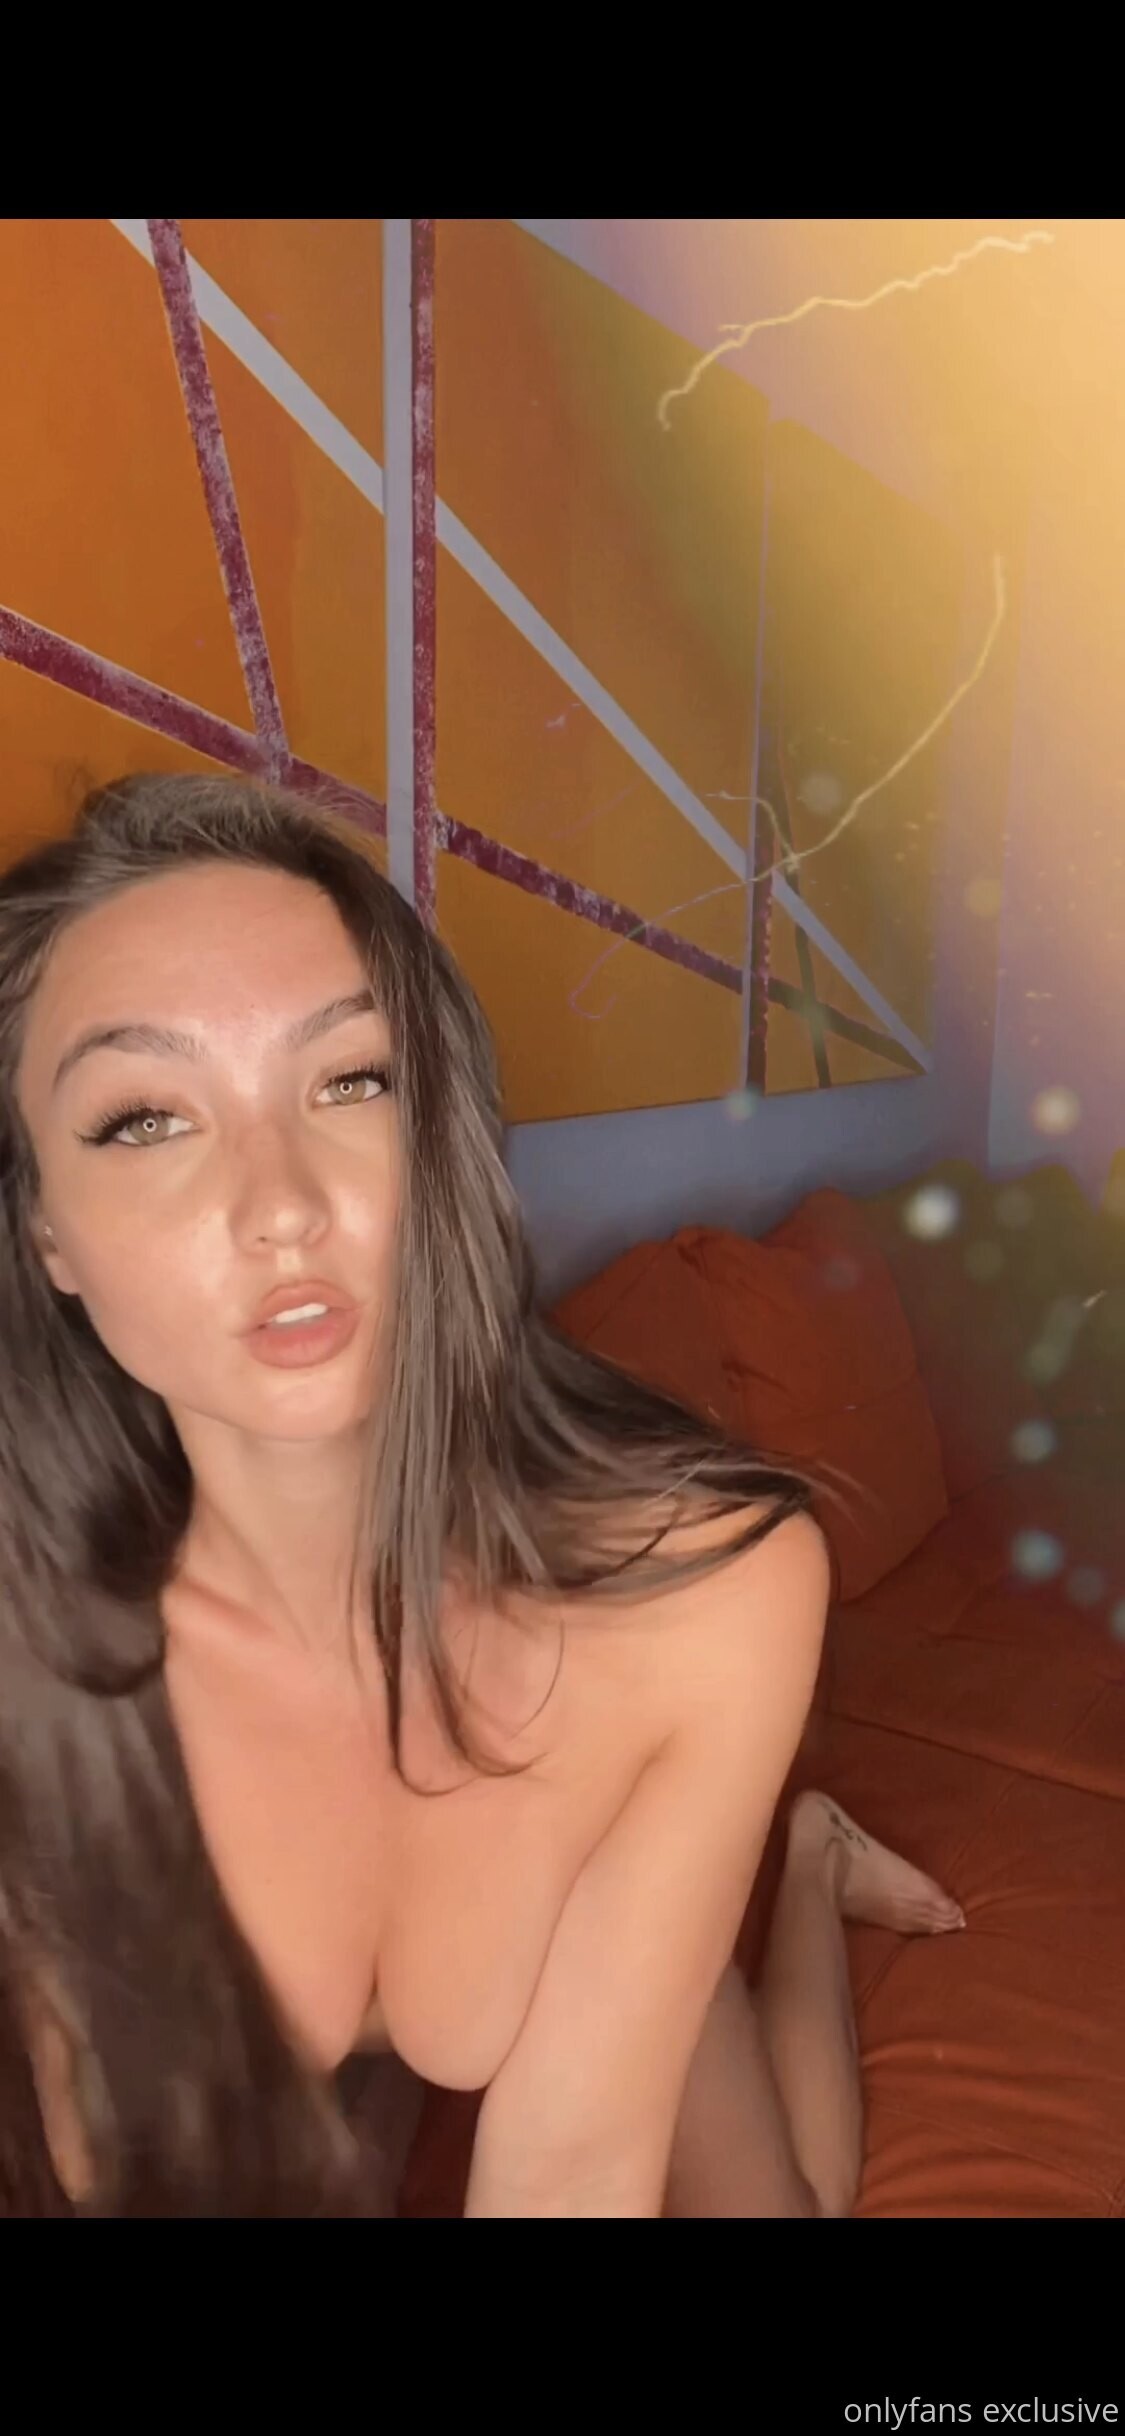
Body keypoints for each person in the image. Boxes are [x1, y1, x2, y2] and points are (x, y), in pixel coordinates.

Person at [0, 773, 963, 2220]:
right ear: (46, 1234)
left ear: (437, 1139)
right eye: (145, 1119)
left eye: (351, 1080)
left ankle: (809, 1859)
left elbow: (567, 2173)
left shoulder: (710, 1591)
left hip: (596, 1897)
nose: (283, 1205)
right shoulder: (32, 1651)